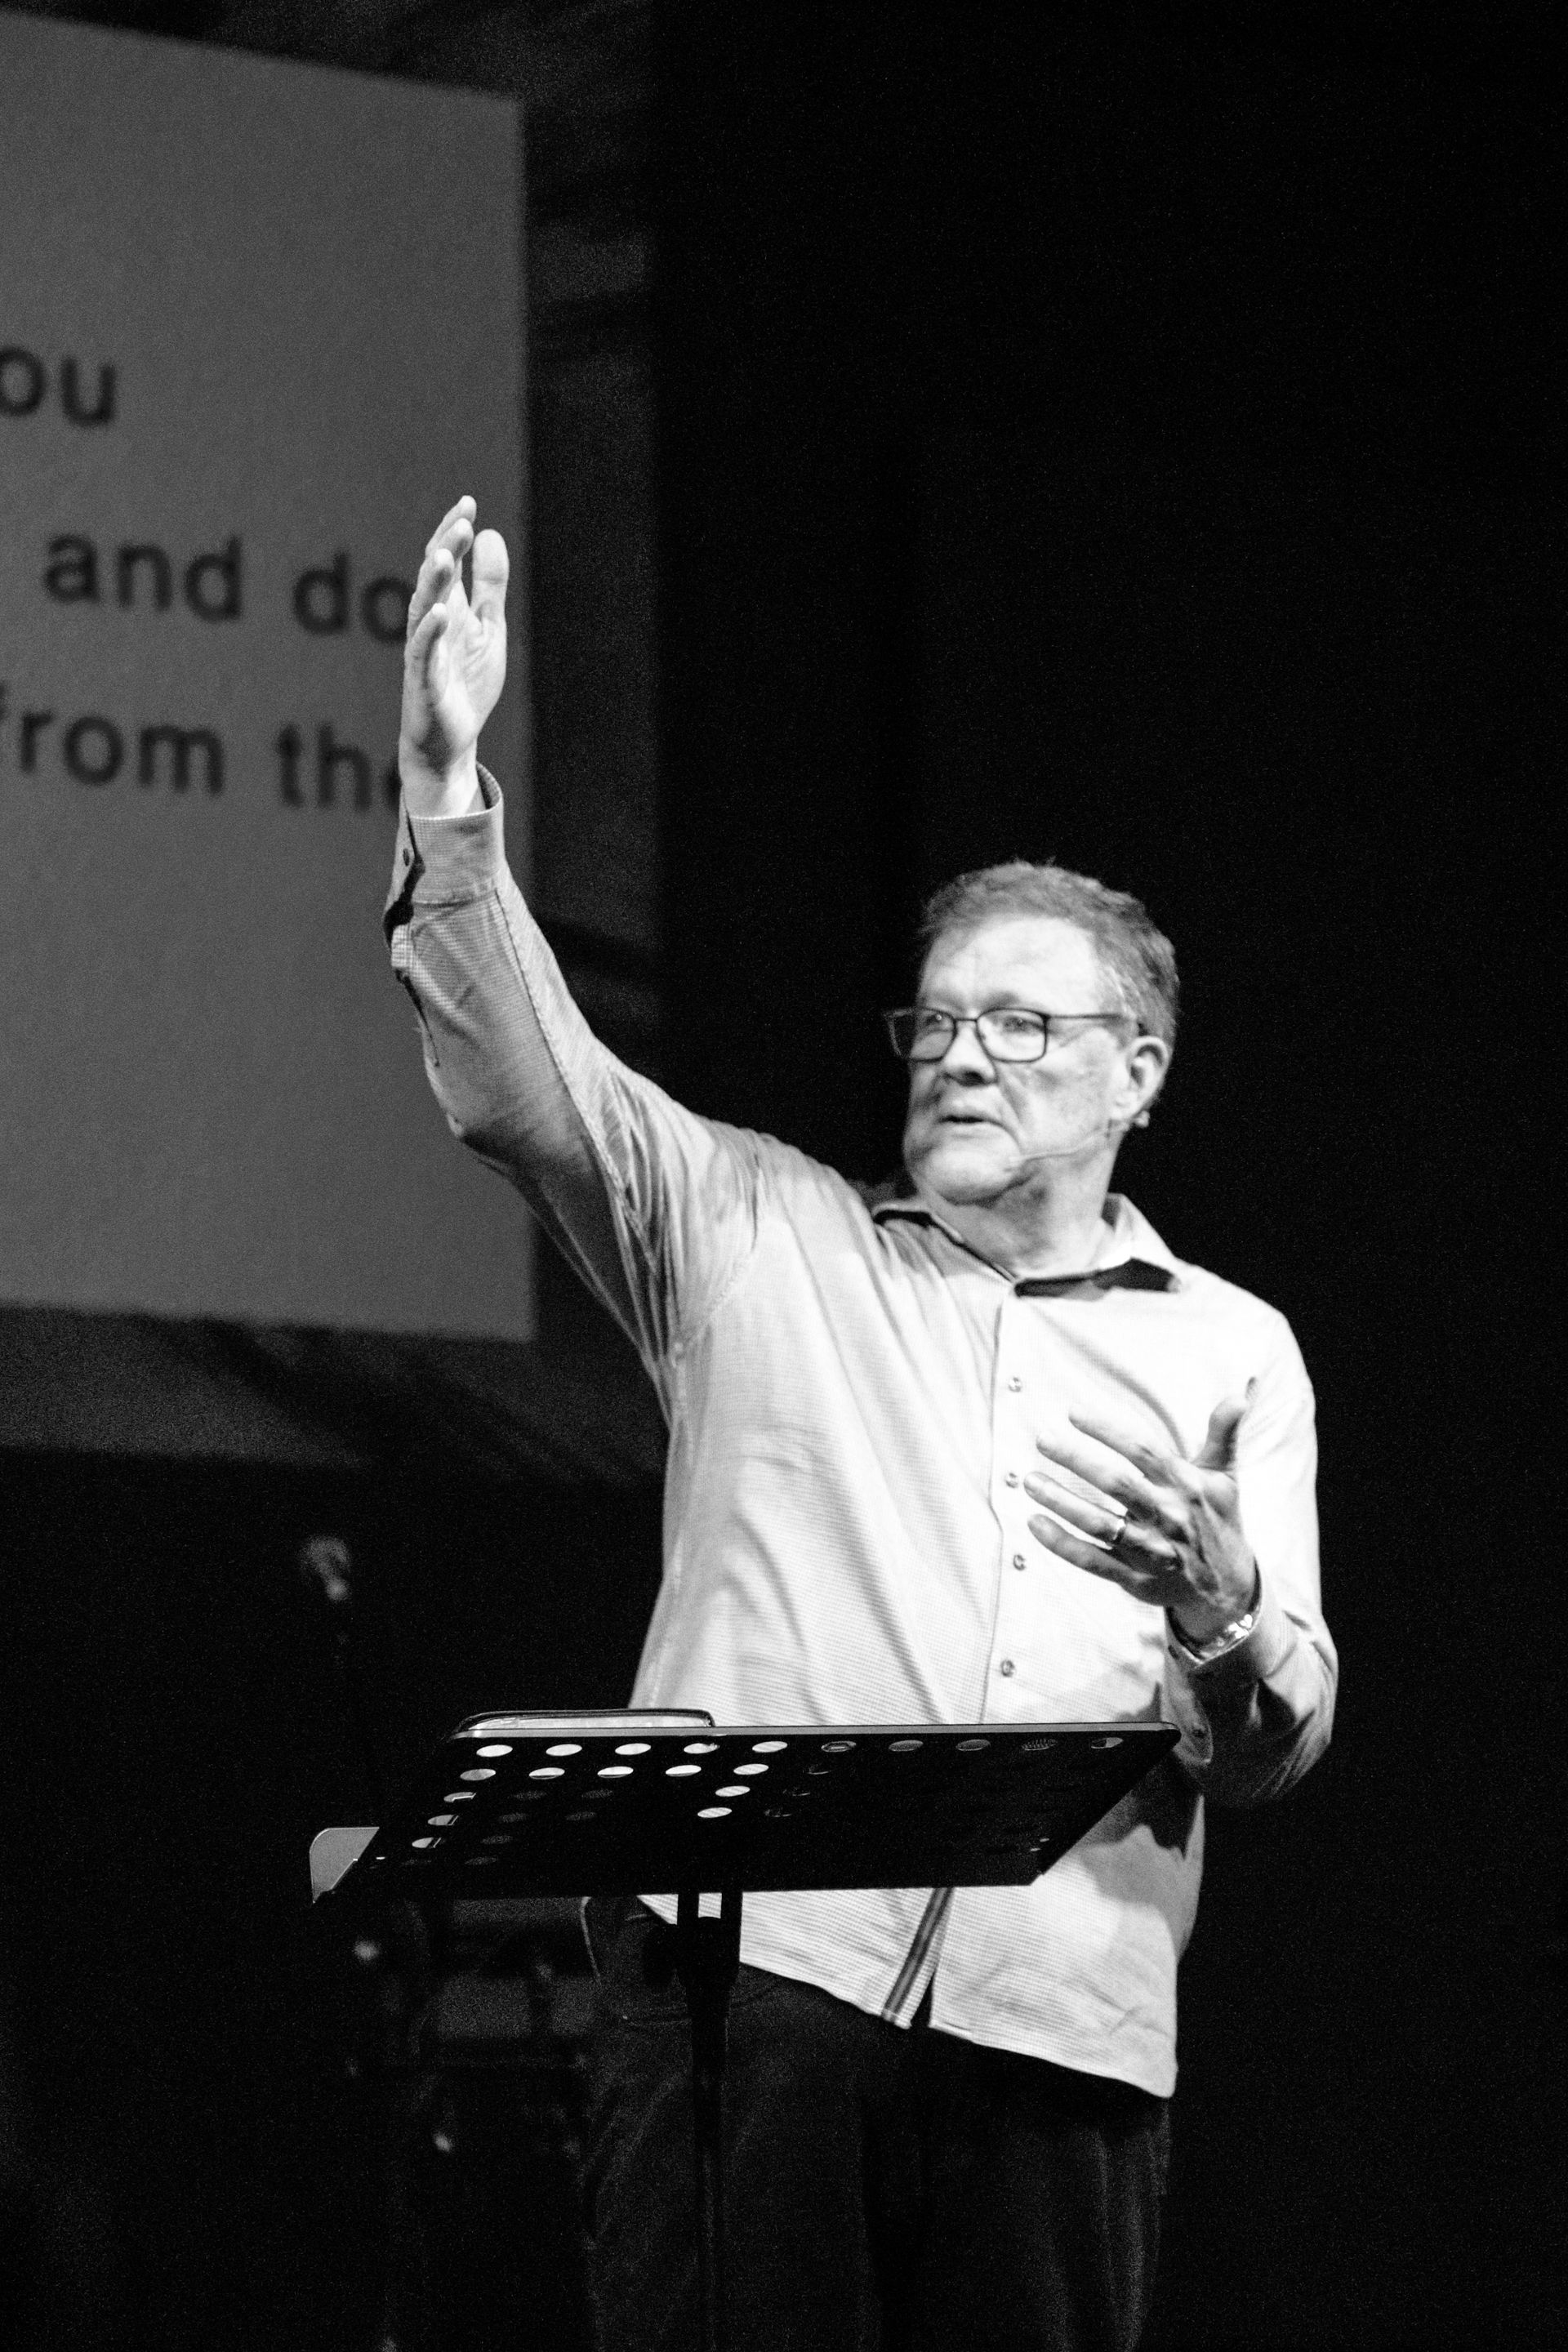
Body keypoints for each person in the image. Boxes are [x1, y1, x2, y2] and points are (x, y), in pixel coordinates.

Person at [386, 497, 1336, 2352]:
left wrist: (1222, 1620)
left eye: (1022, 1029)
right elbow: (526, 1084)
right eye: (937, 1024)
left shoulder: (1232, 1350)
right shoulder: (756, 1233)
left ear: (1140, 1071)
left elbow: (1270, 1743)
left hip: (1062, 2026)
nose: (960, 1055)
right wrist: (445, 781)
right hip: (757, 2000)